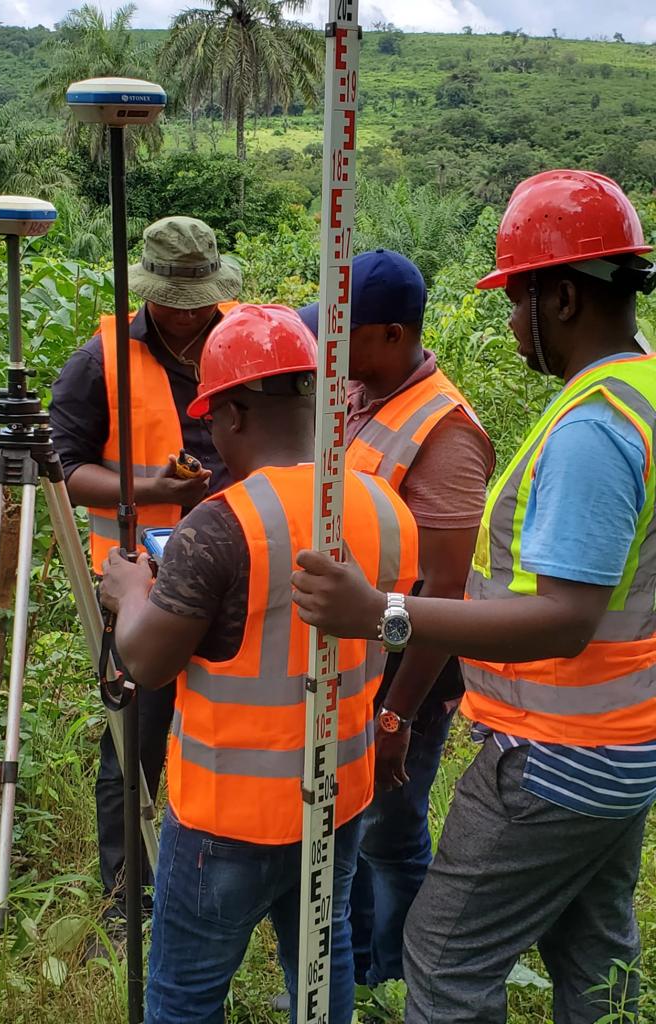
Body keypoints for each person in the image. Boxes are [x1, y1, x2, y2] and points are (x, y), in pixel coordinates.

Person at [291, 169, 656, 1024]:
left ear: (560, 299)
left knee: (443, 959)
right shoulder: (639, 392)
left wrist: (379, 612)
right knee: (597, 959)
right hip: (623, 742)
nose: (508, 322)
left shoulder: (594, 429)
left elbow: (565, 618)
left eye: (514, 298)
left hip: (554, 755)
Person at [99, 304, 419, 1024]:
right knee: (319, 962)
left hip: (224, 822)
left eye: (212, 418)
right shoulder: (383, 504)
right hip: (338, 796)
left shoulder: (219, 524)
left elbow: (147, 663)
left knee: (184, 996)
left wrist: (130, 592)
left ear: (233, 413)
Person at [298, 249, 494, 987]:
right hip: (357, 664)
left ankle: (403, 974)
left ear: (388, 334)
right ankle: (369, 965)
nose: (328, 348)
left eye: (341, 333)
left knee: (391, 827)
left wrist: (395, 718)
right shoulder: (360, 393)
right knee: (357, 823)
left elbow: (447, 597)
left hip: (403, 680)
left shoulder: (445, 434)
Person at [49, 216, 242, 923]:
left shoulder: (244, 337)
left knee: (240, 730)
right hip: (143, 584)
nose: (190, 315)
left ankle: (222, 888)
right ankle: (125, 900)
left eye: (201, 299)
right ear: (146, 291)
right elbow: (61, 469)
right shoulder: (100, 359)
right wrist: (149, 492)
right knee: (132, 745)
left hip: (241, 571)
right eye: (174, 300)